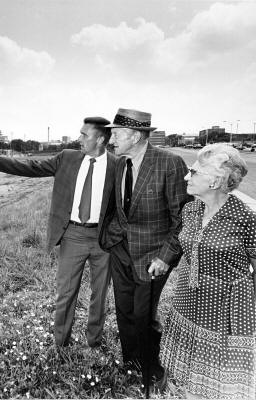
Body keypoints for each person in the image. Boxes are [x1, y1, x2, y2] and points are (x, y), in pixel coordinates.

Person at [0, 117, 116, 348]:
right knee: (66, 293)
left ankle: (94, 342)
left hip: (103, 239)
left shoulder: (117, 165)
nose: (79, 138)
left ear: (100, 139)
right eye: (80, 134)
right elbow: (33, 168)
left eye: (84, 135)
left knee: (99, 295)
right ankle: (61, 343)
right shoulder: (67, 157)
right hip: (72, 235)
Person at [100, 108, 190, 396]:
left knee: (143, 316)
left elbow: (183, 220)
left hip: (153, 256)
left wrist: (166, 256)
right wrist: (111, 238)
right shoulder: (118, 164)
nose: (110, 139)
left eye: (115, 134)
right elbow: (117, 207)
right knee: (124, 312)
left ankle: (154, 370)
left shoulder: (169, 163)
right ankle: (132, 363)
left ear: (135, 136)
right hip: (121, 250)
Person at [160, 143, 256, 399]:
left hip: (224, 312)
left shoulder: (246, 219)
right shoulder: (191, 210)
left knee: (217, 386)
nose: (186, 177)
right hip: (188, 300)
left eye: (194, 172)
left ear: (215, 182)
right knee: (191, 380)